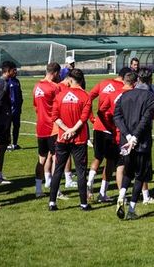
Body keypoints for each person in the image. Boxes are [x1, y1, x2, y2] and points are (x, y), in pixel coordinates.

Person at [114, 68, 154, 220]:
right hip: (142, 142)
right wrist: (134, 137)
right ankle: (132, 209)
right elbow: (145, 120)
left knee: (128, 171)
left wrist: (127, 135)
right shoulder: (151, 98)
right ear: (150, 80)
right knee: (140, 175)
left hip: (125, 142)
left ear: (137, 79)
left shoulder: (124, 95)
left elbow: (117, 117)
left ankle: (121, 195)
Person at [48, 69, 92, 211]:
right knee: (80, 172)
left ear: (71, 80)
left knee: (58, 171)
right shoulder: (86, 96)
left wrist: (66, 130)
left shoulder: (60, 95)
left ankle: (52, 203)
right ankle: (83, 204)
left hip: (62, 138)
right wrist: (72, 130)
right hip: (79, 139)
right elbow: (84, 118)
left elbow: (55, 116)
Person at [87, 67, 128, 202]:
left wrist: (91, 117)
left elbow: (88, 98)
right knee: (110, 161)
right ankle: (102, 192)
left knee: (98, 158)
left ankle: (90, 182)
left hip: (98, 125)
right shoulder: (123, 87)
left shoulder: (103, 83)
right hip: (111, 127)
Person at [33, 62, 61, 198]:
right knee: (57, 159)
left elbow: (36, 106)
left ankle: (38, 190)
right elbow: (60, 107)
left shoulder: (36, 86)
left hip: (40, 127)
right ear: (55, 73)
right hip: (53, 128)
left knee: (41, 158)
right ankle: (56, 191)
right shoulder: (55, 87)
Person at [7, 69, 23, 151]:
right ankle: (8, 144)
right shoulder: (7, 81)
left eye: (16, 70)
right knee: (8, 127)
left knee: (16, 126)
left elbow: (19, 94)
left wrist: (20, 105)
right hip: (9, 109)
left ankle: (15, 143)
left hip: (17, 109)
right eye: (14, 70)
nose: (16, 72)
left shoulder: (17, 81)